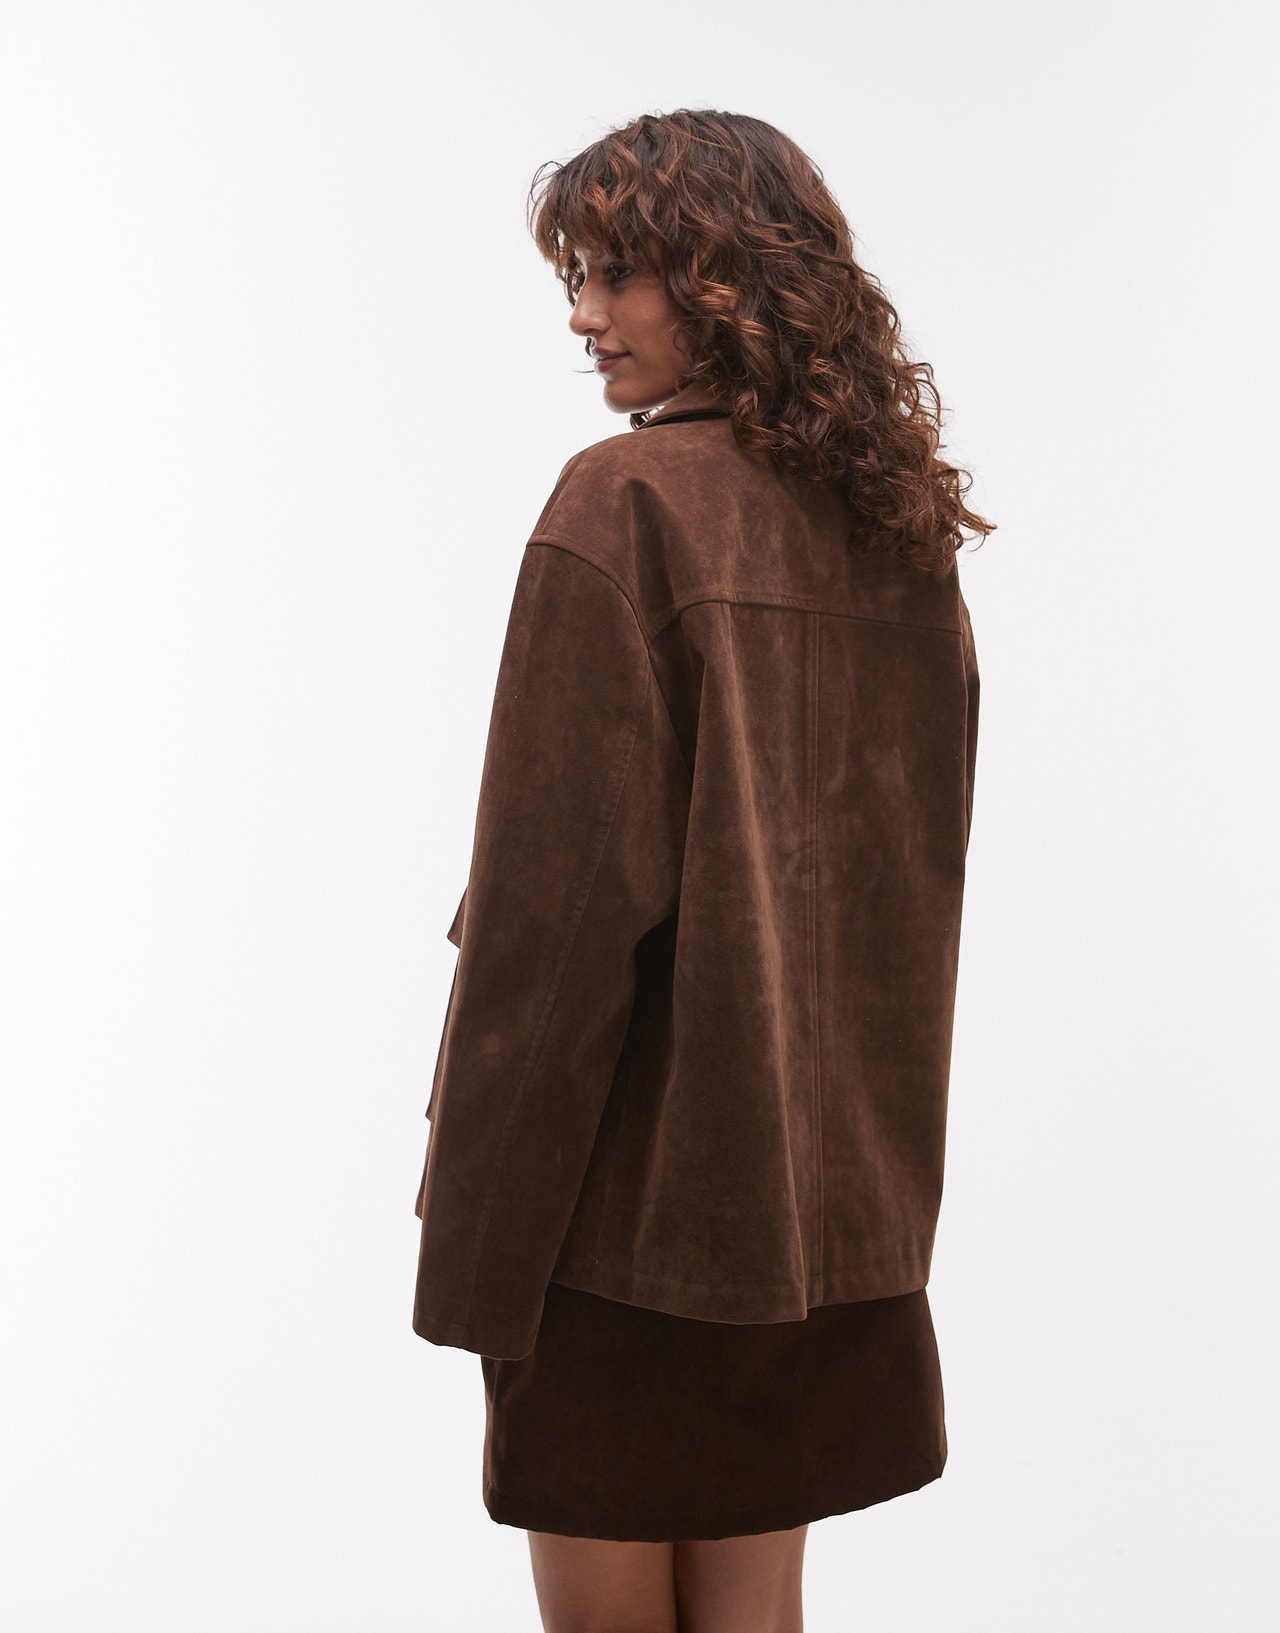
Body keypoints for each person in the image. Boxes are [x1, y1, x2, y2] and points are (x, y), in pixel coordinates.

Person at [411, 108, 994, 1633]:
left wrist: (476, 1259)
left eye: (619, 274)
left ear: (733, 280)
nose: (583, 314)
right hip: (819, 1216)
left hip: (619, 1216)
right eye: (579, 276)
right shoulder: (896, 530)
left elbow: (550, 925)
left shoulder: (624, 504)